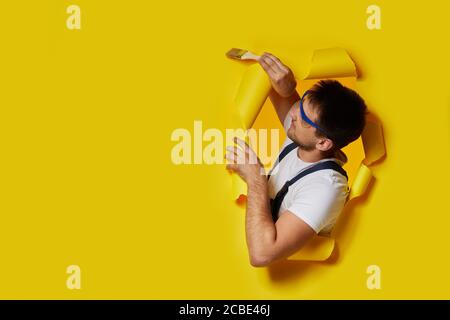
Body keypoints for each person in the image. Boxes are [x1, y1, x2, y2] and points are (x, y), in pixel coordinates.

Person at [225, 52, 368, 267]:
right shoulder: (305, 137)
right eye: (301, 104)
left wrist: (256, 179)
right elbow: (284, 94)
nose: (292, 115)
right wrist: (286, 87)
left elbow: (262, 254)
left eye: (303, 118)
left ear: (323, 143)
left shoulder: (326, 188)